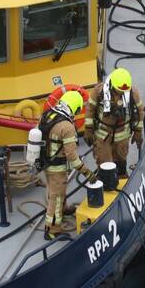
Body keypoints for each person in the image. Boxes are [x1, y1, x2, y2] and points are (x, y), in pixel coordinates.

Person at [37, 90, 95, 240]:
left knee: (55, 191)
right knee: (56, 197)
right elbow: (72, 157)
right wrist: (87, 173)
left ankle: (63, 209)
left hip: (45, 162)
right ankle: (52, 230)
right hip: (57, 167)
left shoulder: (48, 115)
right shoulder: (66, 126)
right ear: (74, 108)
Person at [83, 67, 145, 178]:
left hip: (122, 136)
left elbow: (139, 112)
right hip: (103, 136)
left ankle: (121, 177)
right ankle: (106, 182)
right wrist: (88, 129)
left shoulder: (132, 93)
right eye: (119, 90)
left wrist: (138, 131)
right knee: (104, 162)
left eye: (124, 91)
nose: (122, 93)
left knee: (121, 160)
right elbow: (90, 110)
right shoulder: (99, 92)